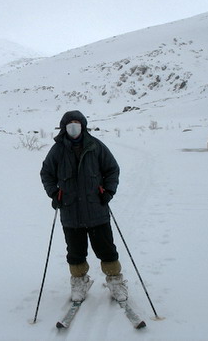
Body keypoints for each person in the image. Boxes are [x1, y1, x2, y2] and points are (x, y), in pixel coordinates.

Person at [40, 110, 128, 303]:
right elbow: (46, 173)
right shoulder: (57, 150)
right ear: (64, 127)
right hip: (71, 212)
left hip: (97, 209)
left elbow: (112, 169)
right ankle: (80, 282)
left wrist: (109, 191)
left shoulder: (95, 146)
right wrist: (54, 193)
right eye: (69, 123)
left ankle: (115, 282)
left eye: (76, 122)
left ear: (83, 125)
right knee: (75, 252)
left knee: (106, 250)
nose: (73, 126)